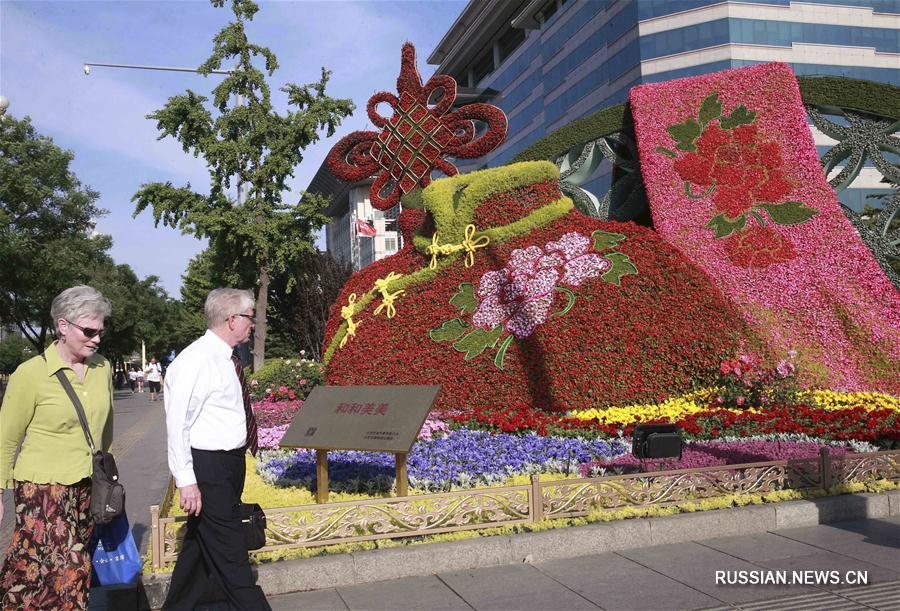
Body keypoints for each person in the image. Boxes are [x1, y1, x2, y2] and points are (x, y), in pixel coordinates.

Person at [0, 285, 114, 610]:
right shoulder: (30, 374)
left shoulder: (102, 368)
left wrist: (108, 479)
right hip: (42, 488)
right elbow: (6, 438)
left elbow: (105, 431)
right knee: (72, 569)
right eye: (89, 331)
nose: (96, 339)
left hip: (85, 486)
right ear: (63, 326)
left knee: (31, 570)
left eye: (100, 331)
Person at [162, 288, 269, 611]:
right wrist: (187, 481)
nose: (254, 324)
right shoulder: (194, 361)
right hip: (208, 468)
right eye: (250, 317)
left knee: (198, 548)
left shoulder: (226, 358)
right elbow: (177, 424)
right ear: (232, 319)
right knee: (231, 555)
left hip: (229, 464)